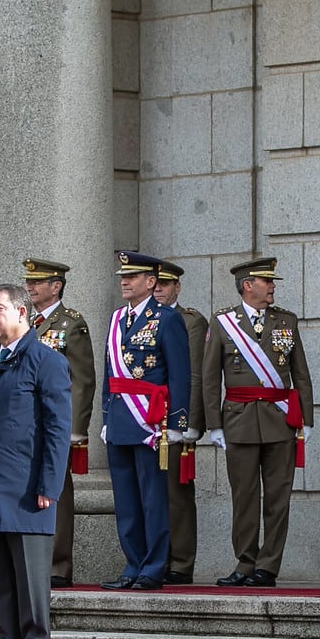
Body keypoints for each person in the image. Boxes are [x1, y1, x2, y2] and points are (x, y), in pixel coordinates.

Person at [0, 283, 71, 639]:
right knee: (0, 573)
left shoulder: (46, 360)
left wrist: (49, 484)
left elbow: (57, 429)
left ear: (22, 313)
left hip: (27, 487)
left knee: (29, 574)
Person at [202, 256, 313, 587]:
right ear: (248, 285)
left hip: (280, 419)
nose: (273, 287)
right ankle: (245, 562)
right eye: (267, 282)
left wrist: (306, 418)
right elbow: (210, 377)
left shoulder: (286, 321)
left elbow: (301, 374)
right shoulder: (223, 323)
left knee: (278, 497)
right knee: (245, 497)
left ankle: (268, 565)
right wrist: (214, 424)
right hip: (239, 420)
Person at [99, 250, 191, 590]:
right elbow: (109, 374)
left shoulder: (166, 319)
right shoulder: (115, 320)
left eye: (132, 276)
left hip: (152, 423)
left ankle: (153, 567)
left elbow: (180, 375)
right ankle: (132, 563)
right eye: (123, 276)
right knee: (126, 500)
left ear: (151, 282)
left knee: (153, 499)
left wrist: (178, 423)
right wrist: (105, 418)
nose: (124, 281)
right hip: (122, 419)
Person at [22, 258, 93, 587]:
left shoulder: (71, 324)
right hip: (25, 423)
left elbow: (81, 380)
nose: (30, 287)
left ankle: (58, 565)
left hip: (54, 423)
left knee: (57, 493)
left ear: (56, 286)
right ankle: (32, 562)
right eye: (28, 282)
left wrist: (75, 428)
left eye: (38, 282)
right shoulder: (25, 323)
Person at [153, 260, 206, 584]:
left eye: (165, 284)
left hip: (173, 417)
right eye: (155, 283)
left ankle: (181, 562)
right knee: (150, 493)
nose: (159, 289)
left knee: (177, 494)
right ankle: (156, 558)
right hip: (144, 418)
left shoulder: (191, 321)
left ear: (177, 287)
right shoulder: (138, 319)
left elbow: (195, 374)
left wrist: (187, 421)